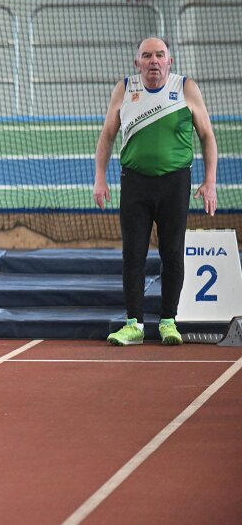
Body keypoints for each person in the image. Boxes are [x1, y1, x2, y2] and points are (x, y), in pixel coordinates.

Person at [94, 37, 218, 346]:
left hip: (175, 183)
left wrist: (210, 181)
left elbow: (207, 136)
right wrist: (100, 178)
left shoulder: (186, 88)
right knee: (133, 254)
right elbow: (107, 135)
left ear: (169, 61)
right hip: (135, 183)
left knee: (172, 252)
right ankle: (133, 324)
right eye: (147, 55)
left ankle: (168, 322)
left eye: (160, 55)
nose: (154, 61)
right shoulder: (124, 89)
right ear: (137, 62)